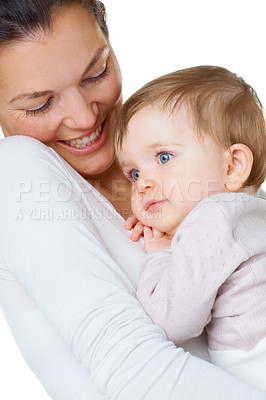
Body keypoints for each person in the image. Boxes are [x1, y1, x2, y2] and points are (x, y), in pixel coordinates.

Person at [0, 0, 265, 398]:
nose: (85, 118)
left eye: (96, 73)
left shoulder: (196, 171)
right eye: (40, 104)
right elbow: (139, 376)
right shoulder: (16, 173)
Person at [115, 65, 266, 391]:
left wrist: (158, 253)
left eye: (164, 157)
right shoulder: (252, 212)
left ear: (233, 166)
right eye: (134, 174)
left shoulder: (210, 219)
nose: (143, 184)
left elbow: (169, 320)